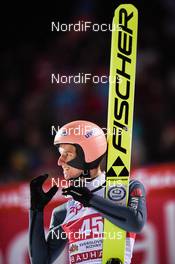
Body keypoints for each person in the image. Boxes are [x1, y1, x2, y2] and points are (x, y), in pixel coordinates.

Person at [29, 120, 147, 264]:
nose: (60, 161)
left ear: (88, 154)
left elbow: (136, 223)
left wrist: (90, 200)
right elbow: (41, 261)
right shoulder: (64, 211)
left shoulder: (127, 187)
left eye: (67, 154)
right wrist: (36, 210)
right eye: (61, 154)